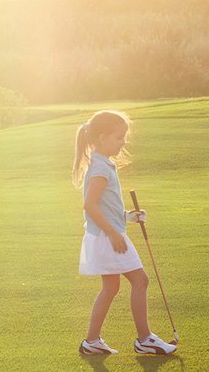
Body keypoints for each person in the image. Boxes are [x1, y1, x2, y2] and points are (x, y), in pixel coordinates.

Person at [74, 110, 178, 355]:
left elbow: (106, 207)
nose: (123, 143)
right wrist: (113, 232)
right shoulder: (100, 168)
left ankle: (91, 341)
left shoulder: (103, 164)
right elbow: (89, 205)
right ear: (101, 138)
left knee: (111, 288)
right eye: (119, 138)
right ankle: (144, 339)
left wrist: (128, 217)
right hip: (107, 238)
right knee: (141, 280)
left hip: (104, 235)